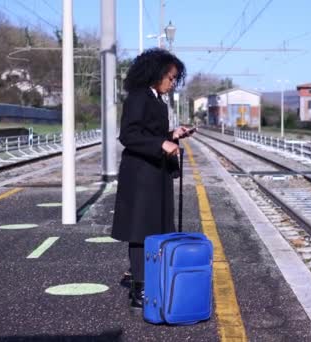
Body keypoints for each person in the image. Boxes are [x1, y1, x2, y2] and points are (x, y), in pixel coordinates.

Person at [111, 48, 192, 313]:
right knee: (140, 230)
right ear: (155, 73)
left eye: (174, 79)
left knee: (155, 228)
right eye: (170, 78)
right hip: (141, 174)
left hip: (155, 172)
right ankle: (139, 288)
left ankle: (150, 279)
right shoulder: (138, 97)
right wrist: (162, 143)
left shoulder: (156, 99)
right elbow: (129, 135)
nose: (172, 83)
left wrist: (173, 134)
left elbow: (149, 132)